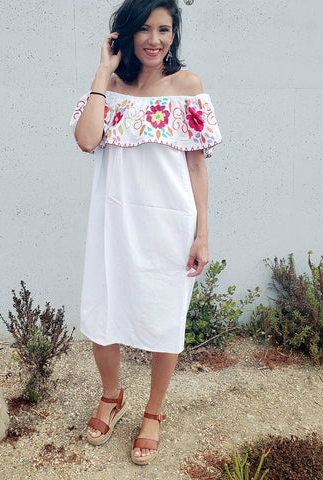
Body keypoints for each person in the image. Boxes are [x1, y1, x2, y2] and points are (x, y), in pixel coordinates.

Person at [70, 0, 221, 465]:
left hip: (169, 223)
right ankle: (111, 395)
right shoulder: (110, 87)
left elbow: (196, 166)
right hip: (113, 222)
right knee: (103, 311)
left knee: (163, 319)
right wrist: (102, 73)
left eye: (165, 30)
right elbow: (87, 140)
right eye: (146, 29)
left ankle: (153, 411)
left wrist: (202, 234)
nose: (155, 40)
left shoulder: (187, 85)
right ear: (127, 33)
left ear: (174, 35)